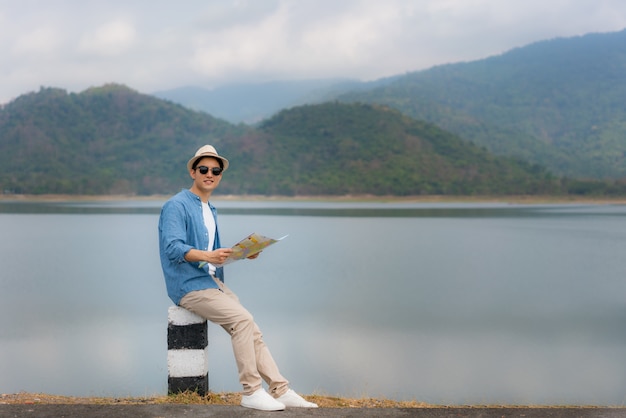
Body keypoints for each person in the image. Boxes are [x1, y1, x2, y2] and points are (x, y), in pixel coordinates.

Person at [158, 145, 318, 411]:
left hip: (211, 282)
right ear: (192, 171)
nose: (210, 174)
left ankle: (281, 390)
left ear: (220, 175)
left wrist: (243, 254)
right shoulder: (176, 205)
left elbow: (212, 254)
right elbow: (173, 248)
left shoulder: (210, 208)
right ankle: (252, 391)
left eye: (215, 170)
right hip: (188, 286)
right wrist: (208, 256)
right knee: (242, 320)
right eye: (204, 169)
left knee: (252, 330)